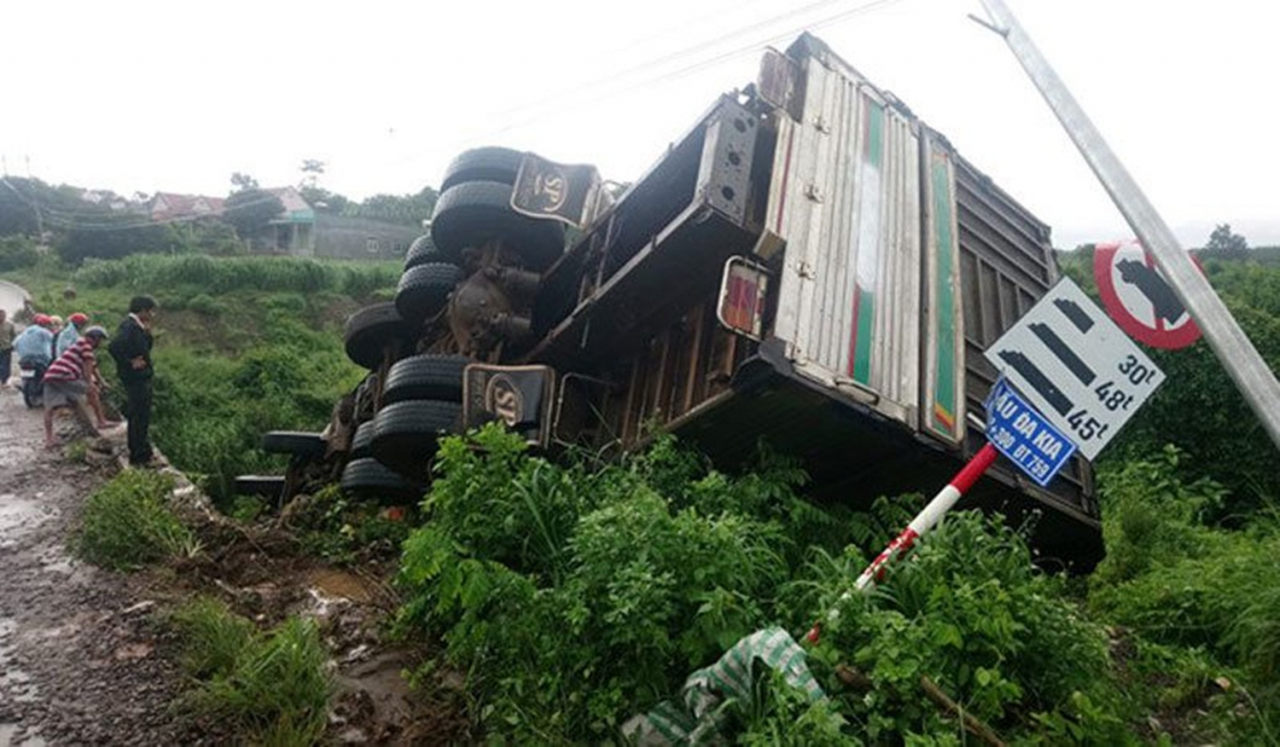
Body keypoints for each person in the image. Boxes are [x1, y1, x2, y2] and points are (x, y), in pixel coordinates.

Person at [41, 326, 113, 448]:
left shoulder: (78, 344)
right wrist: (90, 384)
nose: (100, 343)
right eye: (100, 340)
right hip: (65, 375)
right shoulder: (86, 346)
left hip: (51, 375)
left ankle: (49, 439)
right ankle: (101, 421)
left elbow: (93, 367)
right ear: (94, 338)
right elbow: (88, 369)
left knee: (49, 408)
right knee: (93, 392)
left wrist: (101, 381)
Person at [109, 296, 158, 467]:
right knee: (139, 416)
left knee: (141, 415)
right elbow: (114, 347)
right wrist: (130, 362)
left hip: (139, 377)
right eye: (151, 311)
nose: (153, 314)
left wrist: (147, 335)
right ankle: (139, 456)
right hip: (136, 378)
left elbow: (143, 349)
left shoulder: (137, 327)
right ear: (143, 310)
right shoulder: (130, 326)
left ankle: (142, 450)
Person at [0, 309, 15, 387]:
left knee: (6, 364)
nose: (1, 317)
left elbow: (13, 335)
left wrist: (12, 345)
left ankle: (4, 380)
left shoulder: (9, 325)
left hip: (6, 347)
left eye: (3, 315)